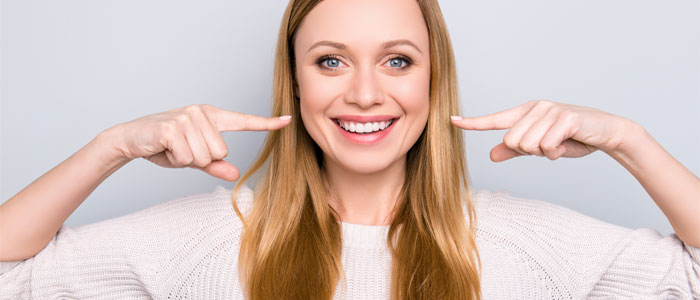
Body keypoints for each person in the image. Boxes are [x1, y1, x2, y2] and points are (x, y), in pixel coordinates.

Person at [1, 0, 698, 299]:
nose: (365, 93)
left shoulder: (523, 241)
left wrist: (627, 141)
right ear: (296, 81)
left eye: (397, 61)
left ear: (433, 78)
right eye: (331, 61)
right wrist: (110, 147)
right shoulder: (204, 237)